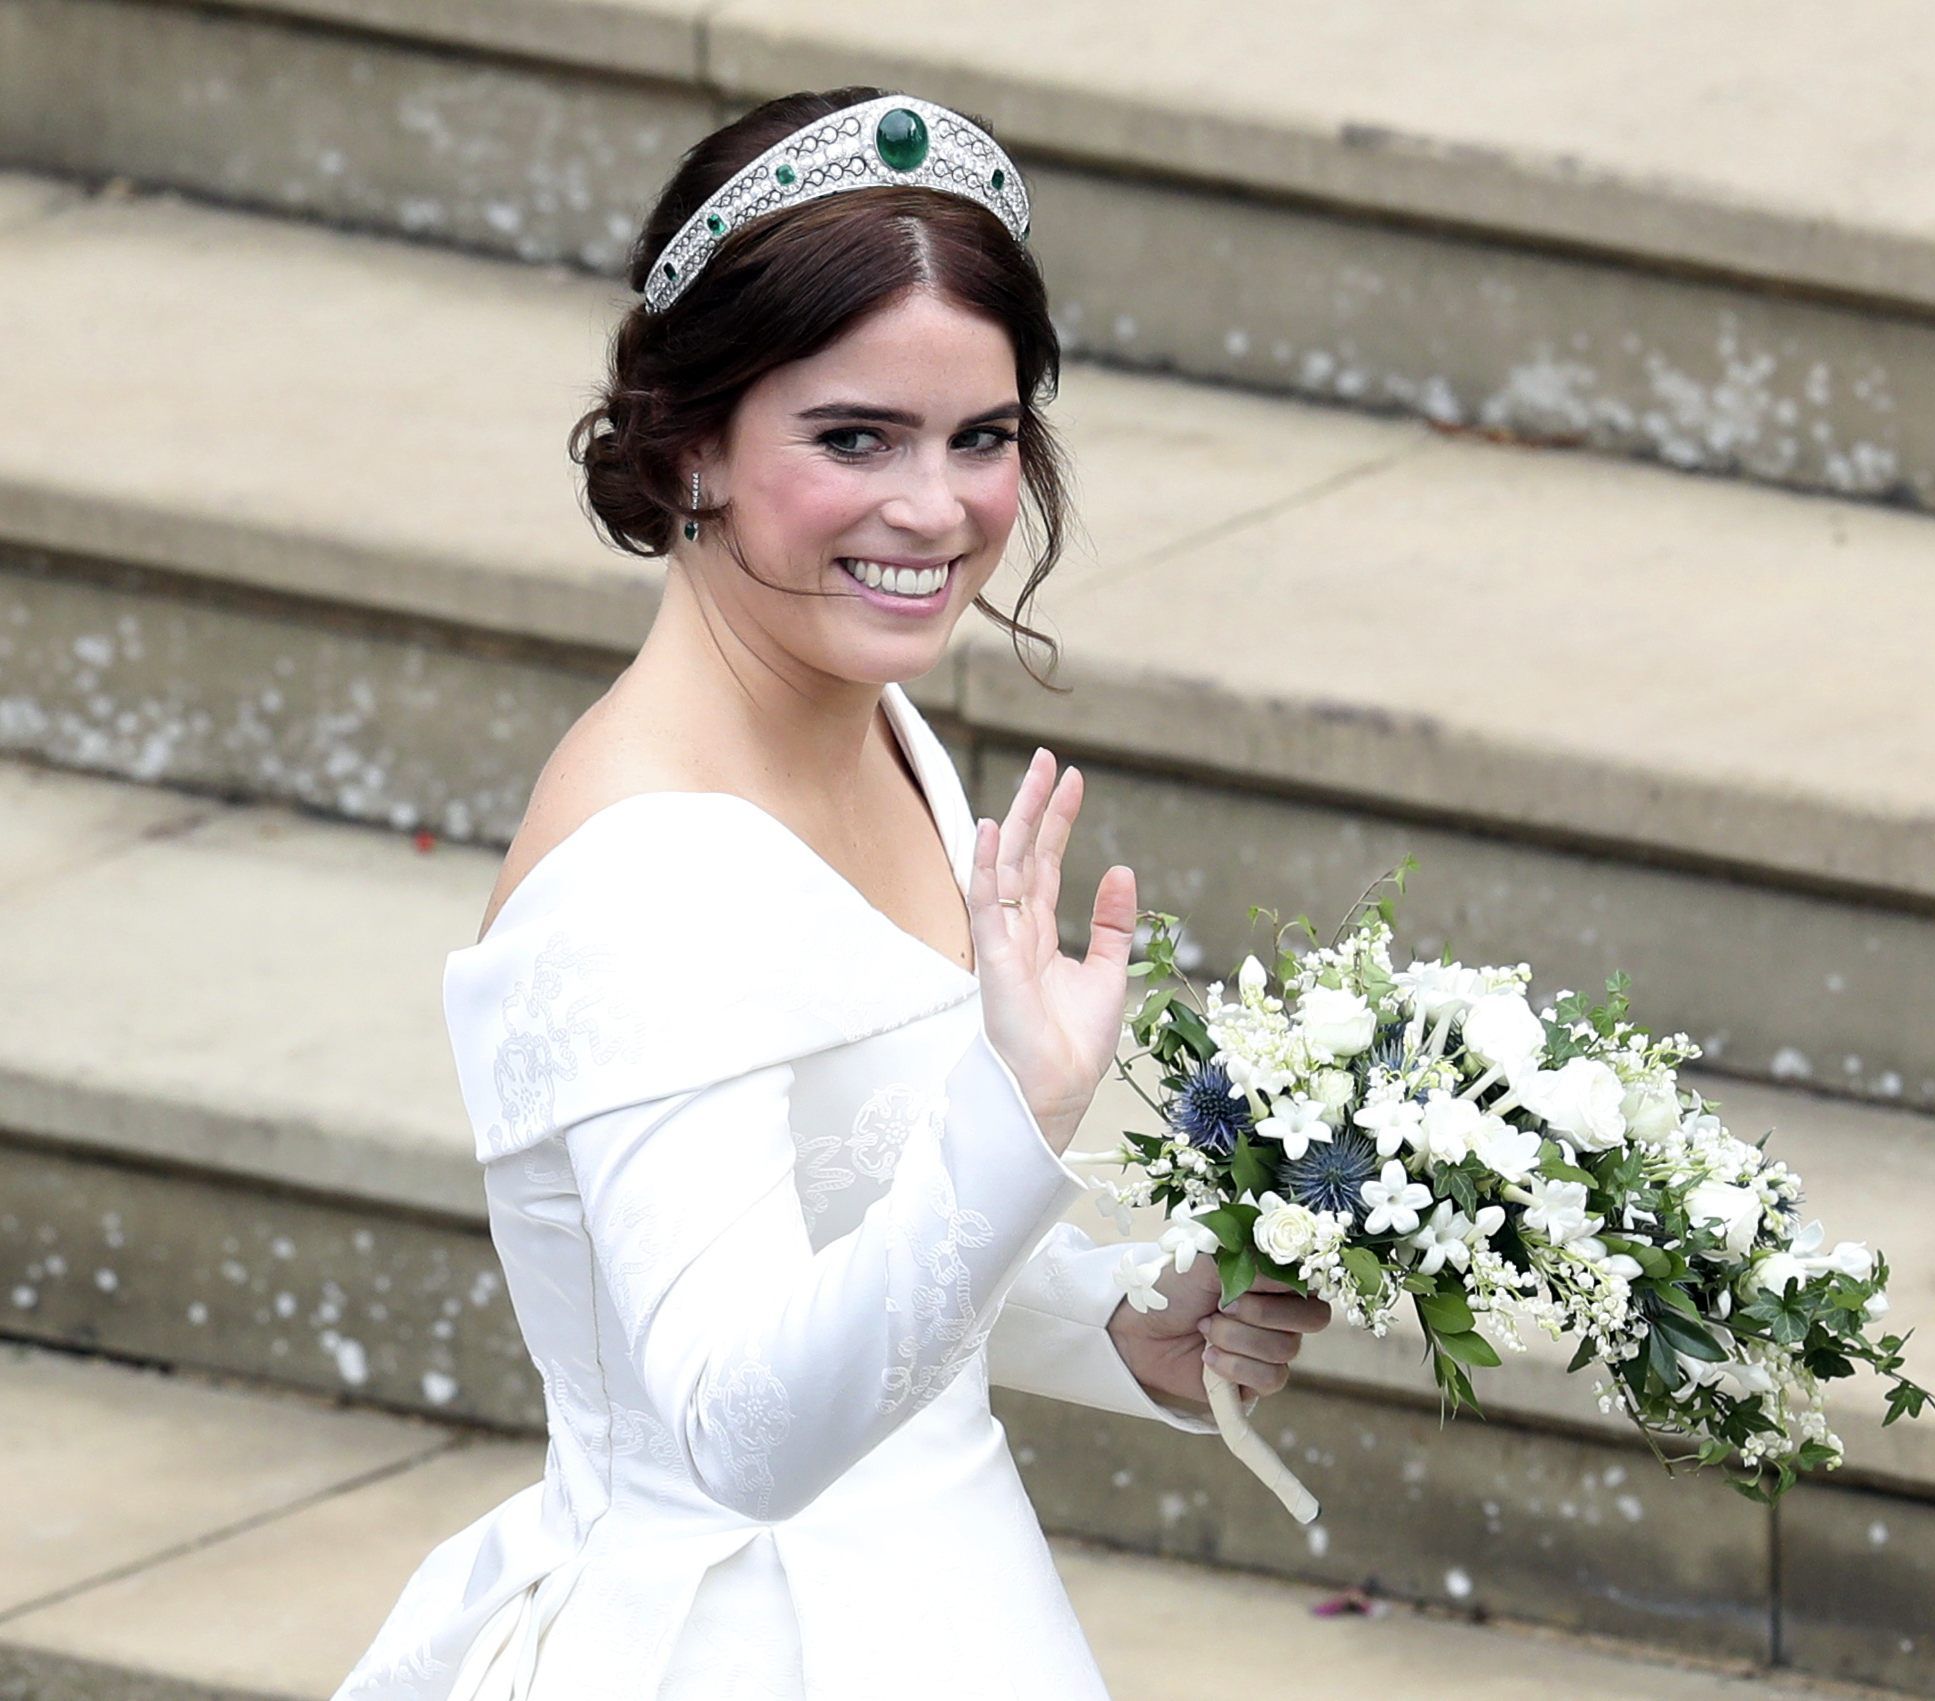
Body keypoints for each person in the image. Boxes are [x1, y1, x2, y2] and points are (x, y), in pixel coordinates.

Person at [332, 87, 1331, 1698]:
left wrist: (1110, 1319)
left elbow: (842, 1215)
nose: (936, 511)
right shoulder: (640, 880)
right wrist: (1017, 1113)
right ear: (690, 439)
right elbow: (738, 1424)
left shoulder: (880, 725)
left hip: (950, 1596)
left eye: (981, 437)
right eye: (853, 436)